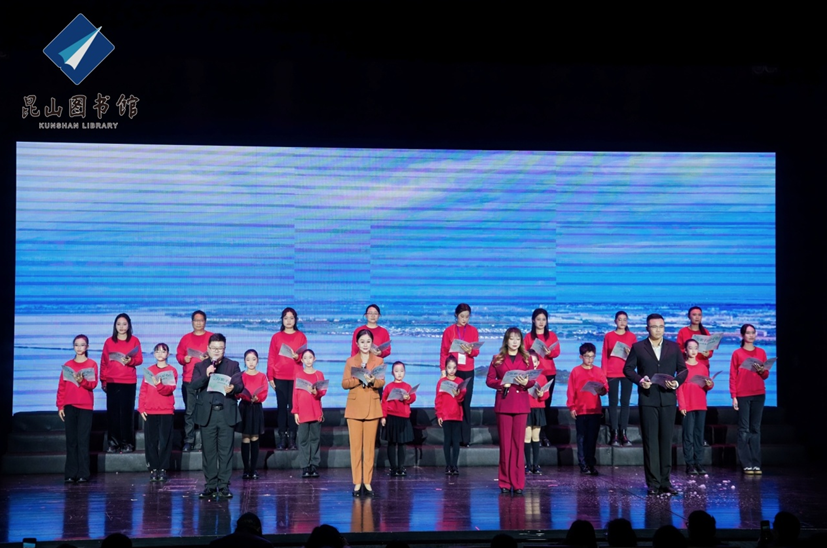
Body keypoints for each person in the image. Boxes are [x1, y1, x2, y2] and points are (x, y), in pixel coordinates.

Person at [623, 313, 687, 496]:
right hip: (648, 399)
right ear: (647, 328)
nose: (658, 330)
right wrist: (639, 380)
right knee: (651, 441)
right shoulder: (638, 347)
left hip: (668, 400)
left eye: (661, 326)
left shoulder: (673, 347)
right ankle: (653, 483)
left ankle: (665, 481)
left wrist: (676, 382)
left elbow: (683, 370)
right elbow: (628, 369)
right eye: (654, 326)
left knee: (666, 441)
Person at [191, 333, 243, 499]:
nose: (217, 351)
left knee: (226, 451)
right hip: (208, 414)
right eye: (214, 348)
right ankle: (211, 485)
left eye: (220, 348)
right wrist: (206, 375)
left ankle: (224, 485)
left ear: (224, 349)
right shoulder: (200, 366)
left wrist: (233, 388)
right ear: (208, 348)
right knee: (209, 452)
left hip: (225, 413)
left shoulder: (233, 365)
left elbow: (240, 385)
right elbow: (193, 385)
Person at [487, 327, 535, 494]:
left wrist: (526, 382)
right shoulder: (497, 359)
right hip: (504, 404)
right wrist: (501, 383)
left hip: (521, 405)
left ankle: (518, 483)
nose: (515, 342)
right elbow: (489, 380)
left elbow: (532, 380)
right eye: (511, 339)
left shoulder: (527, 359)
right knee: (505, 445)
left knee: (518, 445)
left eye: (517, 339)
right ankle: (505, 482)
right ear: (506, 340)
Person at [343, 328, 386, 496]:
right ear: (357, 344)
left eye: (368, 342)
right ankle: (356, 482)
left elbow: (381, 382)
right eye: (362, 342)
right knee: (355, 448)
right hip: (354, 408)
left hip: (372, 408)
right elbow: (344, 383)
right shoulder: (351, 361)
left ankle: (367, 482)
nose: (365, 345)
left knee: (369, 449)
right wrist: (358, 379)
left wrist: (373, 380)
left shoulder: (379, 361)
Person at [730, 323, 770, 475]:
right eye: (748, 333)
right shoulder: (737, 353)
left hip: (759, 393)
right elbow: (733, 376)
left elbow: (765, 375)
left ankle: (756, 463)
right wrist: (734, 396)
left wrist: (762, 370)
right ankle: (746, 463)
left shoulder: (761, 352)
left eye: (753, 332)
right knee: (744, 429)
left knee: (755, 429)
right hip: (743, 394)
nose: (751, 335)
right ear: (742, 335)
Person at [57, 334, 98, 483]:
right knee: (71, 440)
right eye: (76, 345)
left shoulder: (92, 364)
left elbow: (93, 384)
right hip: (69, 405)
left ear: (87, 347)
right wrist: (60, 405)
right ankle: (70, 473)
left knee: (83, 440)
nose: (79, 348)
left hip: (85, 406)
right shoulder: (68, 365)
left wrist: (82, 381)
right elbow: (62, 387)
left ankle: (83, 473)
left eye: (82, 345)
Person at [100, 313, 143, 453]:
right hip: (112, 381)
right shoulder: (109, 342)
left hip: (128, 381)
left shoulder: (134, 341)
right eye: (119, 324)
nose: (121, 327)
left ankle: (127, 443)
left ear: (129, 325)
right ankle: (113, 443)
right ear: (115, 326)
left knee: (127, 413)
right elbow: (104, 362)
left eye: (124, 324)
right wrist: (103, 380)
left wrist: (130, 361)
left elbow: (139, 359)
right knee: (113, 413)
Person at [439, 303, 480, 446]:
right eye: (462, 316)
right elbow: (444, 352)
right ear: (456, 315)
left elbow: (476, 352)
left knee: (466, 403)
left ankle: (465, 438)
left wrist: (470, 350)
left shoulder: (473, 331)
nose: (464, 319)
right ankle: (453, 437)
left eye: (467, 317)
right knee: (453, 403)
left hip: (468, 370)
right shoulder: (449, 331)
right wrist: (443, 372)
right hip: (453, 371)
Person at [267, 307, 306, 450]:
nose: (289, 321)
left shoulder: (301, 336)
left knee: (293, 409)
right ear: (282, 320)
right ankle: (282, 438)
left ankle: (292, 439)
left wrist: (298, 357)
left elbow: (305, 356)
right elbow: (271, 357)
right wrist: (270, 376)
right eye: (286, 318)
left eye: (291, 318)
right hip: (280, 376)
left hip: (296, 377)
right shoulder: (276, 337)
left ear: (295, 320)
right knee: (282, 408)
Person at [567, 342, 609, 475]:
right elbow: (571, 391)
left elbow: (605, 388)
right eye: (587, 356)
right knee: (581, 438)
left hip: (594, 410)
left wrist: (602, 390)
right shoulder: (576, 371)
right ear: (581, 357)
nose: (590, 359)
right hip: (581, 410)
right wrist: (572, 407)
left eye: (592, 356)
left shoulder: (598, 371)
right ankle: (583, 464)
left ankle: (591, 463)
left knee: (592, 438)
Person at [138, 343, 178, 482]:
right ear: (154, 354)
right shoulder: (149, 371)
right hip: (150, 410)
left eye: (163, 351)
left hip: (166, 410)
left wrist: (159, 384)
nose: (160, 354)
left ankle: (163, 468)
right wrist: (141, 408)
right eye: (157, 351)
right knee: (151, 441)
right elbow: (143, 390)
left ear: (168, 354)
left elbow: (169, 389)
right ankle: (153, 468)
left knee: (165, 440)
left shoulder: (172, 370)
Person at [176, 310, 212, 452]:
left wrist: (209, 358)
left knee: (206, 411)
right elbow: (179, 355)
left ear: (205, 322)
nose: (198, 323)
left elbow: (218, 355)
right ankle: (189, 440)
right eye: (196, 320)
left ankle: (205, 441)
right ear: (192, 322)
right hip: (189, 380)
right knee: (189, 412)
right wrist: (184, 359)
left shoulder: (211, 337)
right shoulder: (185, 338)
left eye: (201, 320)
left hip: (206, 380)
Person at [523, 308, 561, 446]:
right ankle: (533, 435)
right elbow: (523, 354)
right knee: (533, 405)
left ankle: (544, 434)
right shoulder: (529, 337)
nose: (541, 322)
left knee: (546, 404)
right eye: (538, 319)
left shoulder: (551, 335)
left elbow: (557, 352)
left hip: (549, 373)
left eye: (544, 319)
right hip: (534, 374)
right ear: (533, 320)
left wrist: (549, 352)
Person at [678, 339, 713, 476]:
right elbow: (679, 387)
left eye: (695, 348)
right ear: (685, 350)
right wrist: (682, 405)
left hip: (701, 404)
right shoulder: (682, 367)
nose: (693, 351)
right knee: (688, 435)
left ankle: (699, 463)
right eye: (690, 348)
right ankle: (689, 464)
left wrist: (709, 384)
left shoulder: (703, 367)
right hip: (688, 405)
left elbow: (707, 386)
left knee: (699, 435)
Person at [601, 310, 637, 446]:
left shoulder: (632, 337)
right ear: (615, 321)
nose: (622, 322)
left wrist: (630, 353)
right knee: (613, 402)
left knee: (625, 402)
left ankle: (624, 433)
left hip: (627, 372)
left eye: (624, 320)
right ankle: (614, 433)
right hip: (612, 372)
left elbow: (636, 357)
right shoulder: (609, 336)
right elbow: (604, 356)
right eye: (619, 319)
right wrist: (603, 374)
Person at [293, 349, 327, 479]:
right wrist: (295, 412)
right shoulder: (298, 374)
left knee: (315, 439)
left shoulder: (319, 374)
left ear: (314, 359)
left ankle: (314, 465)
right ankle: (305, 466)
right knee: (303, 439)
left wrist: (316, 392)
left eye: (310, 357)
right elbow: (295, 394)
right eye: (305, 358)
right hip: (303, 411)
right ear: (302, 360)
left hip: (315, 410)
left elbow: (323, 391)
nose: (308, 360)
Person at [381, 361, 416, 477]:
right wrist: (383, 416)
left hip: (403, 418)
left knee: (402, 444)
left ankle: (401, 467)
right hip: (391, 417)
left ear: (404, 372)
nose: (399, 373)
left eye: (401, 371)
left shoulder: (407, 386)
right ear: (392, 373)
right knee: (391, 443)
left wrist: (408, 398)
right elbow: (384, 402)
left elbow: (412, 398)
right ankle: (393, 467)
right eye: (396, 371)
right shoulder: (389, 387)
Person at [238, 349, 268, 479]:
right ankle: (246, 469)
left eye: (253, 359)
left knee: (255, 437)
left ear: (258, 361)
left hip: (256, 407)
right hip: (245, 407)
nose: (251, 362)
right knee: (245, 437)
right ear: (244, 361)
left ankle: (254, 469)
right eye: (248, 359)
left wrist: (257, 398)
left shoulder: (262, 376)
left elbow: (264, 392)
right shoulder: (241, 376)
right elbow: (237, 391)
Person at [435, 356, 467, 475]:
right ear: (445, 368)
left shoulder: (460, 381)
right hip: (446, 415)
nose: (451, 370)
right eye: (449, 367)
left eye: (454, 368)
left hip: (457, 415)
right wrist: (439, 415)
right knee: (447, 440)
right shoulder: (441, 382)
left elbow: (462, 398)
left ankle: (455, 465)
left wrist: (458, 394)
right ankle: (448, 465)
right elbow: (438, 400)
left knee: (456, 441)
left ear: (457, 368)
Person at [524, 350, 549, 474]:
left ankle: (536, 464)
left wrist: (541, 394)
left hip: (538, 408)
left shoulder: (542, 377)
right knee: (527, 437)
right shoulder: (523, 377)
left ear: (538, 363)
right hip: (526, 408)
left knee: (535, 437)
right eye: (529, 361)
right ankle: (527, 464)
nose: (532, 364)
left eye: (534, 361)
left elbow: (546, 395)